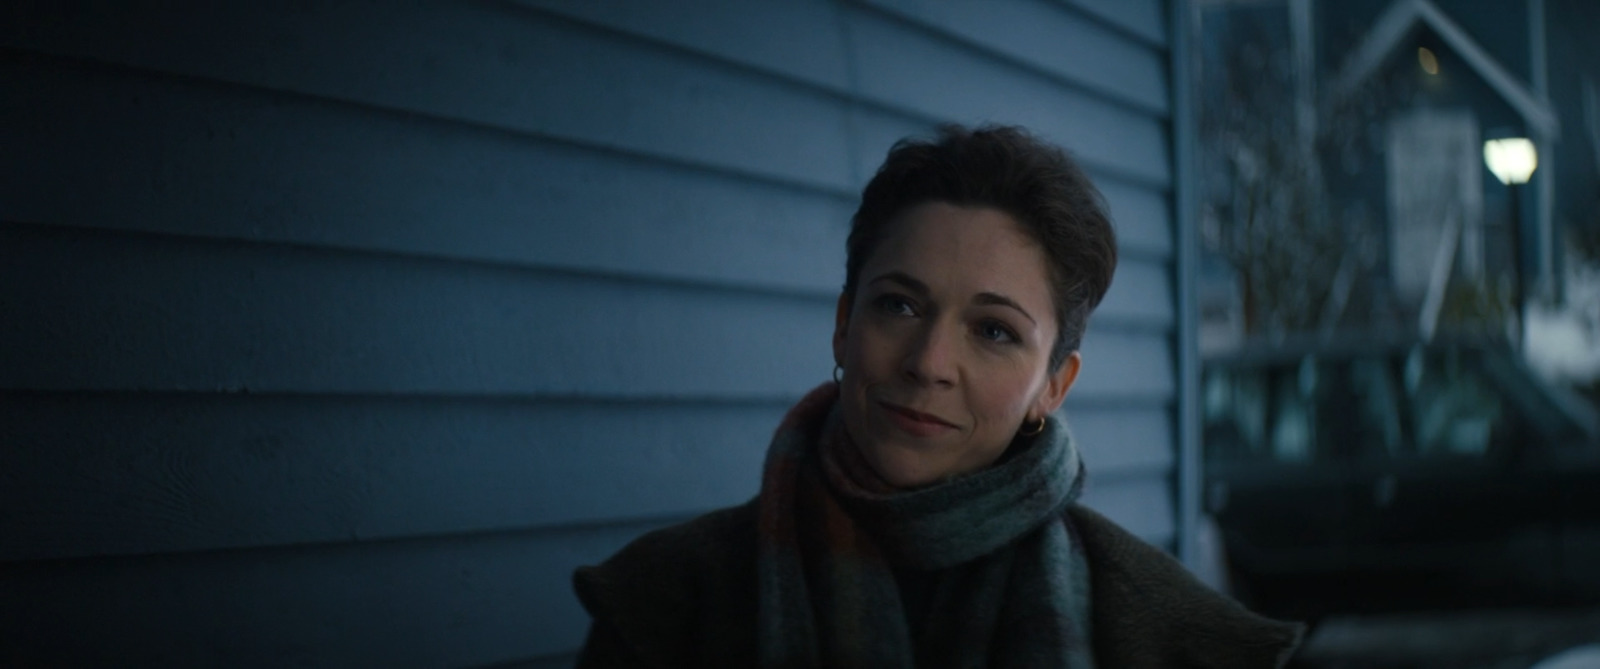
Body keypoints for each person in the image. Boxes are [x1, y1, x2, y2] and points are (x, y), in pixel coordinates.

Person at [572, 125, 1304, 668]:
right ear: (842, 324)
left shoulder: (1179, 640)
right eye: (898, 305)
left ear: (1054, 383)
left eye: (993, 330)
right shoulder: (667, 605)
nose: (929, 363)